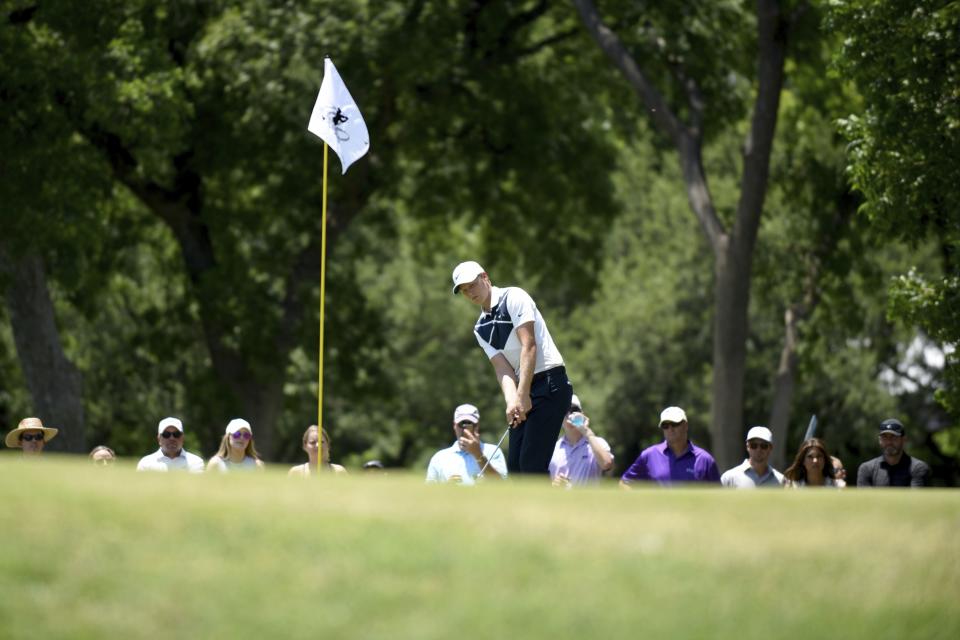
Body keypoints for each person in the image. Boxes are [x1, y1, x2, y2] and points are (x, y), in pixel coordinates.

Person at [452, 260, 572, 474]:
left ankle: (547, 508)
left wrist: (523, 393)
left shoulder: (514, 297)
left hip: (550, 384)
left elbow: (529, 346)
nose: (470, 293)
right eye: (464, 290)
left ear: (485, 277)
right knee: (516, 468)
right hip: (524, 388)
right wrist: (512, 401)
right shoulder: (480, 327)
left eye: (472, 285)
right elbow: (502, 369)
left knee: (532, 465)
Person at [620, 406, 720, 487]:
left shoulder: (705, 460)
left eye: (674, 424)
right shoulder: (649, 455)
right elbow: (624, 483)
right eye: (665, 425)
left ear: (685, 425)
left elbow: (718, 496)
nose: (670, 429)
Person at [426, 404, 508, 485]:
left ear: (477, 426)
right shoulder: (439, 458)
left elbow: (502, 485)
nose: (465, 429)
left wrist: (478, 454)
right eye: (462, 424)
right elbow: (429, 493)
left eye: (470, 423)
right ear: (454, 425)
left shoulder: (493, 451)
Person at [548, 394, 614, 488]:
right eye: (564, 410)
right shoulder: (552, 449)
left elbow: (607, 464)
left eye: (573, 410)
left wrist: (587, 432)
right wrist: (554, 484)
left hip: (589, 502)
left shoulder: (597, 443)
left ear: (582, 414)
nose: (569, 415)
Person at [856, 418, 931, 487]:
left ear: (904, 440)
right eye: (884, 437)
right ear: (879, 440)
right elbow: (866, 500)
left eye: (894, 437)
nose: (889, 442)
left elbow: (916, 500)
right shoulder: (866, 469)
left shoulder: (918, 468)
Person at [720, 426, 784, 488]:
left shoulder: (781, 481)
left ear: (770, 448)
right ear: (747, 447)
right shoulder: (729, 478)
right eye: (754, 445)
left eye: (763, 446)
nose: (758, 449)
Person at [136, 417, 204, 473]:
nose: (172, 438)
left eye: (176, 434)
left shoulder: (196, 462)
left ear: (182, 438)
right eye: (166, 434)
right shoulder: (145, 464)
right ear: (159, 439)